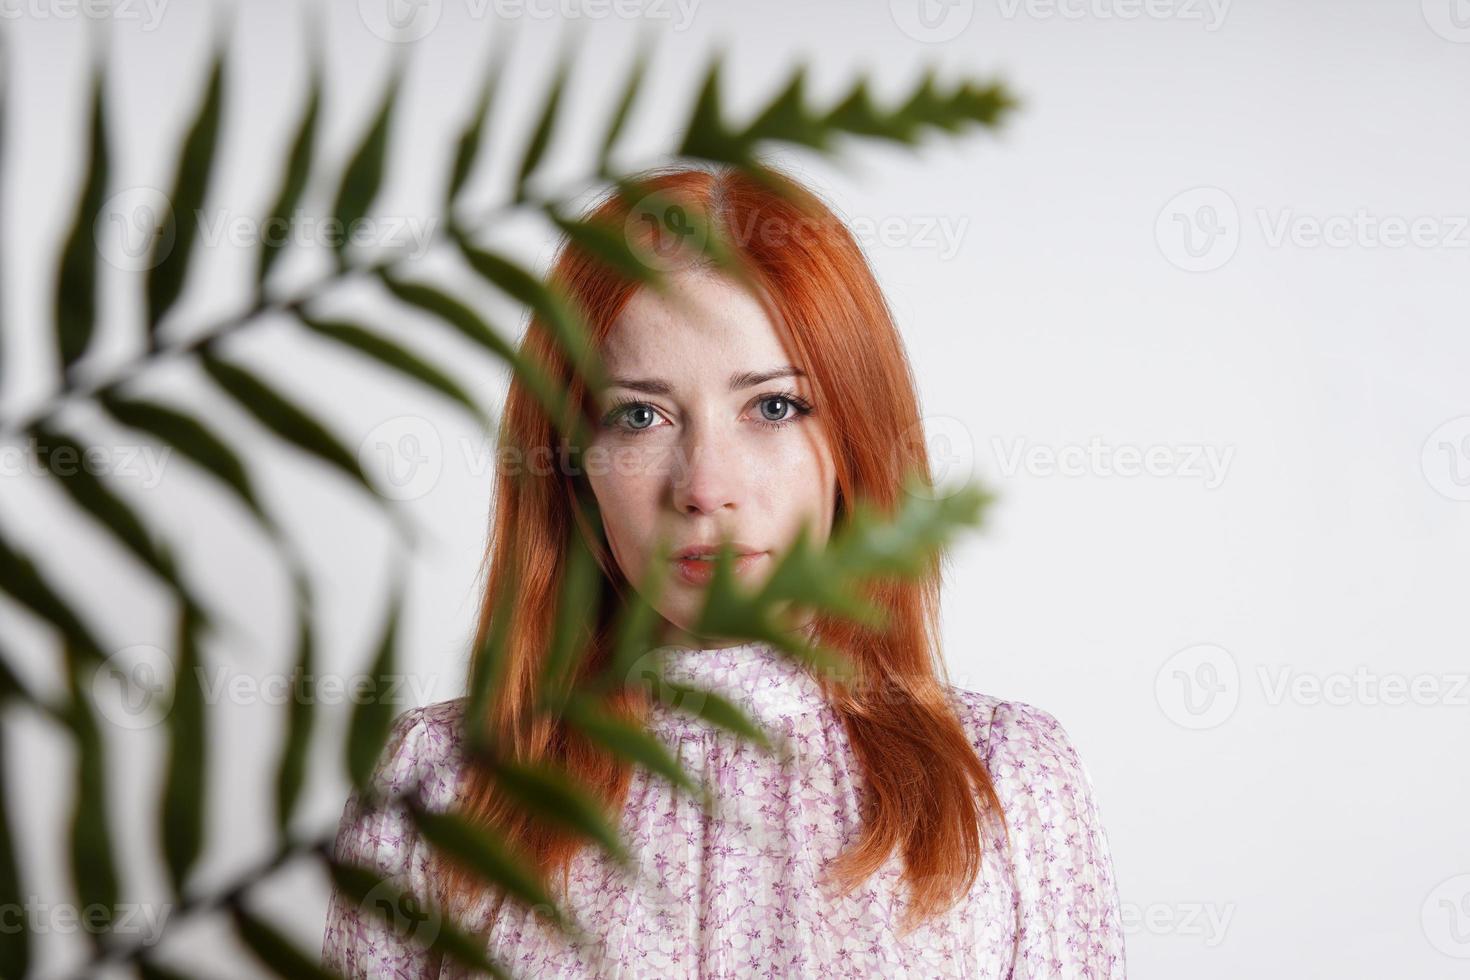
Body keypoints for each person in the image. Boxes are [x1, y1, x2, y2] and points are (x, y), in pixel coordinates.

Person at [321, 163, 1126, 978]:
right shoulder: (440, 786)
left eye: (773, 407)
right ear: (573, 467)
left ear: (856, 435)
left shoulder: (1006, 786)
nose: (705, 487)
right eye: (640, 415)